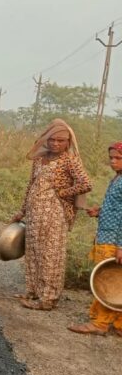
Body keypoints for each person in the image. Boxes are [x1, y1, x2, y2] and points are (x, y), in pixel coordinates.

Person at [9, 119, 92, 311]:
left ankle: (48, 298)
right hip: (34, 213)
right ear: (46, 139)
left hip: (55, 214)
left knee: (50, 254)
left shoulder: (70, 160)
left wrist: (63, 192)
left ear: (67, 142)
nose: (55, 143)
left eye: (60, 140)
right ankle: (33, 291)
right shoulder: (40, 158)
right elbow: (31, 185)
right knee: (33, 251)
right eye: (52, 139)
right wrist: (22, 210)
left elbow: (86, 183)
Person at [69, 142, 122, 335]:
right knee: (118, 280)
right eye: (111, 158)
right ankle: (119, 324)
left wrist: (121, 246)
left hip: (114, 240)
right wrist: (100, 211)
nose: (113, 161)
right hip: (108, 235)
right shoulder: (117, 178)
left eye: (118, 158)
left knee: (107, 281)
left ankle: (100, 323)